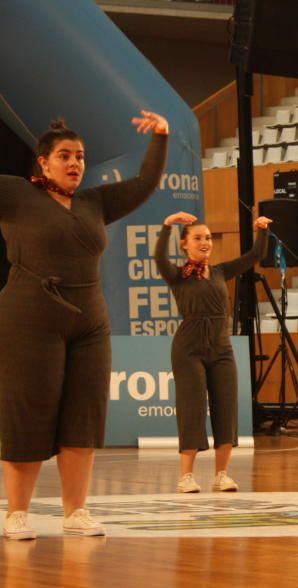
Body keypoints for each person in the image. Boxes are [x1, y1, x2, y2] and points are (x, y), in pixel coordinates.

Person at [0, 111, 169, 539]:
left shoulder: (94, 202)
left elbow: (145, 184)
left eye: (80, 156)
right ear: (43, 162)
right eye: (64, 156)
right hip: (29, 317)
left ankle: (75, 511)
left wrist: (162, 137)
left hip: (90, 322)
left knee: (84, 413)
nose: (75, 163)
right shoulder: (16, 194)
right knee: (29, 412)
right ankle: (17, 512)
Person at [155, 211, 272, 493]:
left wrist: (262, 229)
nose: (204, 242)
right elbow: (159, 258)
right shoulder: (177, 275)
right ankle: (186, 476)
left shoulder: (220, 271)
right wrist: (167, 225)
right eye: (197, 238)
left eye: (207, 238)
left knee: (226, 408)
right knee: (192, 409)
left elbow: (255, 254)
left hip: (221, 347)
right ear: (185, 244)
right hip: (189, 348)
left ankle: (222, 475)